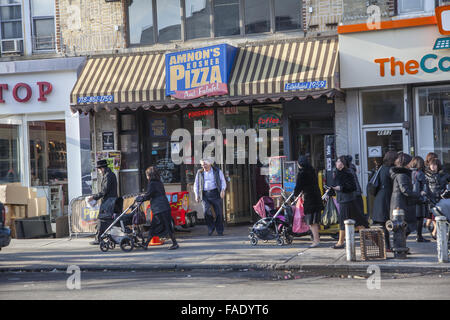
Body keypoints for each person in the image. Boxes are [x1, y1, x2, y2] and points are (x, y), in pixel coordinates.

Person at [331, 156, 369, 249]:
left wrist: (339, 188)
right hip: (348, 199)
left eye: (338, 161)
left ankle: (341, 242)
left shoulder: (347, 172)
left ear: (343, 164)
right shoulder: (341, 172)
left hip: (349, 199)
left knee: (346, 220)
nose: (336, 163)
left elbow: (351, 187)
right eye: (336, 161)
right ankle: (367, 240)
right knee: (358, 220)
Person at [137, 166, 178, 250]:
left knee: (154, 227)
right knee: (167, 225)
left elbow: (149, 195)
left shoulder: (151, 183)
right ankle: (174, 243)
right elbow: (153, 193)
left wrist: (140, 198)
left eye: (147, 175)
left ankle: (146, 244)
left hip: (159, 207)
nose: (146, 176)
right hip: (164, 206)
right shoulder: (159, 182)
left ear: (150, 175)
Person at [390, 153, 426, 241]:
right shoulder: (402, 175)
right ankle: (400, 248)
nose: (411, 164)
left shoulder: (401, 174)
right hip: (401, 205)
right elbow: (405, 190)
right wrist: (418, 194)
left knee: (403, 227)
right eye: (410, 162)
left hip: (401, 203)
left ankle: (401, 247)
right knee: (403, 227)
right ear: (405, 163)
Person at [293, 155, 324, 248]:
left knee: (311, 222)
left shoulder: (302, 173)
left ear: (299, 164)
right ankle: (316, 239)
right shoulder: (312, 170)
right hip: (316, 197)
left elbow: (298, 187)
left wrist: (295, 194)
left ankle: (316, 241)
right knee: (315, 221)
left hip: (309, 199)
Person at [87, 159, 119, 245]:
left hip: (109, 202)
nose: (99, 171)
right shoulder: (110, 174)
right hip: (111, 201)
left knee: (102, 219)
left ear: (102, 168)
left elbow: (104, 191)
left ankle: (99, 238)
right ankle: (111, 237)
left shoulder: (108, 176)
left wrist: (94, 197)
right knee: (110, 220)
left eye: (99, 169)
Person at [194, 158, 227, 236]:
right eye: (202, 165)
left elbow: (223, 181)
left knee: (218, 212)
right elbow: (196, 184)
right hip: (205, 194)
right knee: (206, 211)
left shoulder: (217, 171)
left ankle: (219, 230)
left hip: (215, 193)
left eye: (205, 164)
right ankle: (211, 227)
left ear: (210, 163)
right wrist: (196, 195)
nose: (203, 166)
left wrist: (223, 190)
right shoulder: (199, 172)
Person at [372, 150, 397, 252]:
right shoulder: (392, 170)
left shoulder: (382, 168)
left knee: (383, 224)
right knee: (388, 222)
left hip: (380, 196)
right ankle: (387, 246)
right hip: (387, 197)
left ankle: (385, 246)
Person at [407, 156, 430, 242]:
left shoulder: (409, 172)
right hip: (419, 198)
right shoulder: (420, 173)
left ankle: (414, 235)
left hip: (411, 198)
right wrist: (423, 196)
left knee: (414, 218)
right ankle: (419, 236)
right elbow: (424, 187)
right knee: (419, 218)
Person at [425, 157, 448, 240]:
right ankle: (432, 230)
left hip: (441, 198)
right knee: (431, 217)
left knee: (436, 216)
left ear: (438, 166)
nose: (433, 167)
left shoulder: (444, 175)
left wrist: (445, 192)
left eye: (434, 165)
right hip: (430, 198)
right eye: (431, 165)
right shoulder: (427, 175)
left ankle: (435, 232)